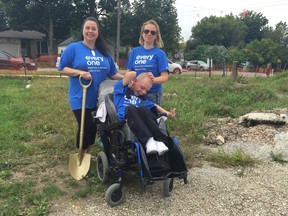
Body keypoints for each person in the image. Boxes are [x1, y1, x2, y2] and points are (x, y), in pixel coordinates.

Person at [58, 16, 123, 153]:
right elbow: (62, 68)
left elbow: (112, 73)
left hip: (99, 98)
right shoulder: (74, 48)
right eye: (87, 28)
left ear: (98, 32)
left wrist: (127, 78)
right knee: (85, 125)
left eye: (94, 28)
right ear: (83, 31)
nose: (90, 31)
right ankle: (80, 154)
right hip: (80, 96)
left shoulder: (104, 52)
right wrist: (80, 72)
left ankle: (88, 153)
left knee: (94, 127)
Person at [113, 71, 176, 156]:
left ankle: (160, 141)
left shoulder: (142, 99)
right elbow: (131, 74)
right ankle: (148, 141)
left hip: (141, 122)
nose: (143, 92)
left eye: (146, 90)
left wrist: (167, 113)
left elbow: (154, 106)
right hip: (126, 120)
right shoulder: (121, 90)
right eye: (142, 87)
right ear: (134, 81)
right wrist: (130, 80)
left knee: (143, 108)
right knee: (131, 108)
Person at [125, 20, 169, 105]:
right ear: (142, 33)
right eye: (146, 31)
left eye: (152, 32)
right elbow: (128, 72)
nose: (149, 34)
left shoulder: (160, 54)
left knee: (150, 117)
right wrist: (129, 81)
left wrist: (152, 80)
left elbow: (164, 77)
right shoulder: (135, 51)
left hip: (152, 93)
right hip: (135, 92)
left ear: (156, 36)